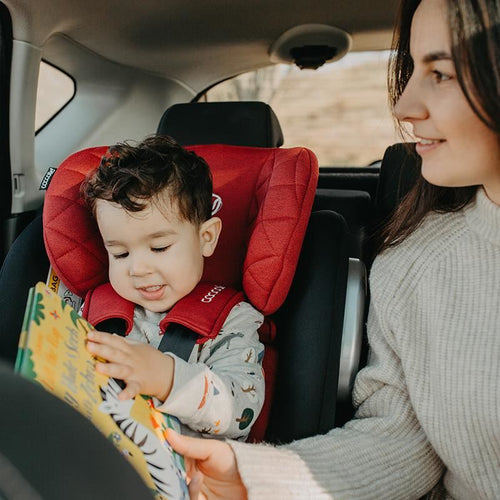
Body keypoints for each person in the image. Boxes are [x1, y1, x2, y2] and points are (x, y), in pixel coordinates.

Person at [166, 0, 500, 497]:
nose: (405, 107)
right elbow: (400, 445)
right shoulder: (412, 267)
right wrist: (247, 476)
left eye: (443, 74)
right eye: (413, 69)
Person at [82, 135, 265, 440]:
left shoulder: (231, 320)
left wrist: (167, 378)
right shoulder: (93, 310)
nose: (138, 269)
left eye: (160, 247)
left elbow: (241, 411)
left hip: (183, 474)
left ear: (206, 238)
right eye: (120, 253)